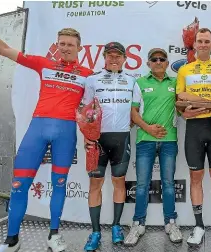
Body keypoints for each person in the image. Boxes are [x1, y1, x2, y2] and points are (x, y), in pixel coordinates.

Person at [0, 2, 93, 252]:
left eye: (70, 44)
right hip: (37, 129)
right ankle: (11, 239)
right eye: (62, 43)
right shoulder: (43, 64)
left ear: (80, 48)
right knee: (18, 184)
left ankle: (54, 234)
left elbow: (98, 106)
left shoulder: (88, 74)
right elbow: (3, 49)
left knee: (60, 184)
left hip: (66, 133)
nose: (66, 48)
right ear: (57, 46)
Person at [176, 28, 211, 249]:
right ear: (194, 45)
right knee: (195, 177)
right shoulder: (185, 70)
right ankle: (199, 226)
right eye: (200, 41)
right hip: (194, 127)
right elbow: (180, 97)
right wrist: (184, 112)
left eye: (207, 41)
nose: (203, 44)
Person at [81, 42, 138, 251]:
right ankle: (95, 232)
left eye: (118, 56)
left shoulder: (132, 81)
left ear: (124, 59)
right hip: (97, 141)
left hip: (121, 139)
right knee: (95, 185)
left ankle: (116, 227)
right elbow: (86, 111)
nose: (114, 59)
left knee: (119, 182)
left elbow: (135, 111)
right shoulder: (92, 80)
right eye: (110, 55)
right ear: (104, 57)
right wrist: (86, 137)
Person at [124, 48, 183, 246]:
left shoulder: (175, 83)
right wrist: (148, 128)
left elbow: (183, 109)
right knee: (141, 185)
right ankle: (138, 224)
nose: (158, 62)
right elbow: (133, 112)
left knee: (168, 183)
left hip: (169, 140)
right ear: (148, 63)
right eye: (154, 59)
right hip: (145, 139)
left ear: (167, 63)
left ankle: (171, 223)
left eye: (162, 59)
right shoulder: (140, 82)